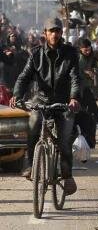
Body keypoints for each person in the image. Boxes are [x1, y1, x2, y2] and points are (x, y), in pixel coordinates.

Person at [11, 18, 81, 194]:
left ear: (61, 33)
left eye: (57, 31)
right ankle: (30, 164)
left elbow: (75, 78)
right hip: (41, 101)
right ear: (45, 33)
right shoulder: (36, 54)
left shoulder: (70, 53)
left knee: (64, 141)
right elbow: (24, 77)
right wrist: (16, 94)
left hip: (64, 103)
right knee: (33, 124)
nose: (55, 34)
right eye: (51, 31)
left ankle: (67, 176)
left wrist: (73, 98)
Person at [77, 38, 98, 144]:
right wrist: (85, 72)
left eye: (89, 49)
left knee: (95, 112)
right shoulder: (78, 59)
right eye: (85, 50)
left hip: (86, 89)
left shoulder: (91, 56)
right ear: (80, 49)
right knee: (79, 115)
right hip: (77, 91)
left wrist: (94, 72)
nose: (87, 52)